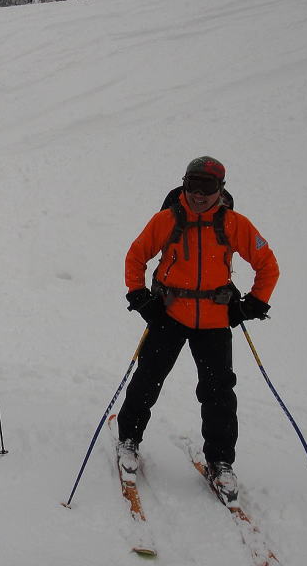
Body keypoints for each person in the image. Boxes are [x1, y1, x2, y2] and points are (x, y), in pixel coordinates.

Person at [117, 157, 279, 501]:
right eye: (194, 185)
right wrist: (140, 297)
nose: (200, 194)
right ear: (184, 184)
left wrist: (254, 303)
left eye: (208, 187)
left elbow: (267, 264)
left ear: (221, 188)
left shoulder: (234, 224)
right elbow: (136, 256)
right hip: (169, 315)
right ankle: (128, 440)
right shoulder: (167, 219)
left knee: (218, 393)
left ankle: (220, 462)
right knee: (148, 378)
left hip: (215, 321)